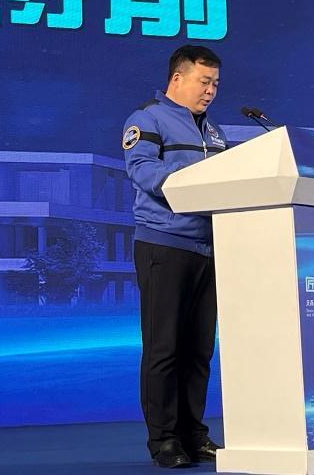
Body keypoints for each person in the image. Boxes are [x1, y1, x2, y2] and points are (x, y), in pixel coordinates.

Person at [122, 45, 228, 468]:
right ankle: (164, 440)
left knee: (199, 350)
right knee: (164, 348)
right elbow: (143, 171)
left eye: (215, 84)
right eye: (204, 82)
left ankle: (193, 434)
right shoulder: (147, 118)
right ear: (177, 78)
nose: (210, 91)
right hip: (164, 244)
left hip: (210, 248)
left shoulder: (214, 132)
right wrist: (200, 180)